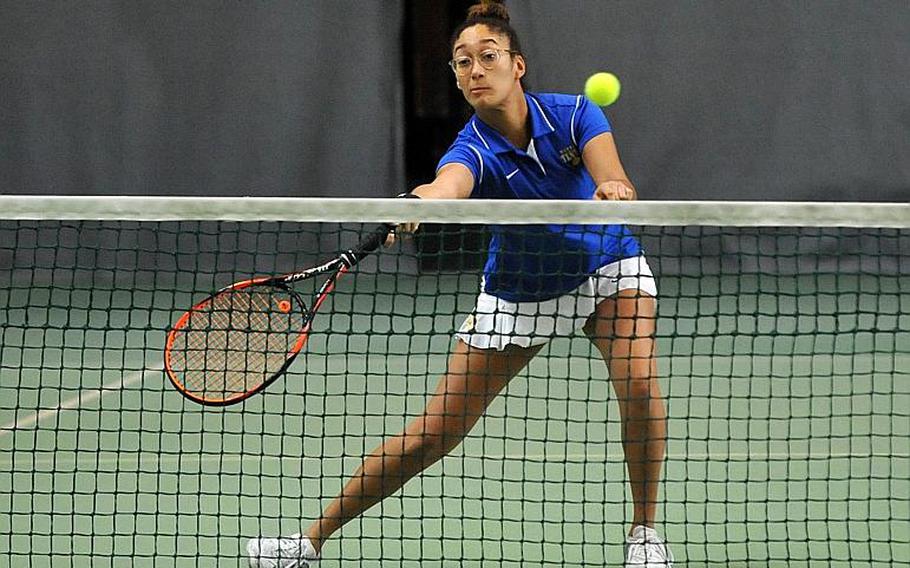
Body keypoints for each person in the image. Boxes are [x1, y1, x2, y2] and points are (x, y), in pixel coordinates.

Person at [248, 1, 672, 566]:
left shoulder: (575, 115)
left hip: (607, 271)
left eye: (487, 58)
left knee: (639, 383)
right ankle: (307, 542)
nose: (474, 71)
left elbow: (613, 177)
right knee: (434, 433)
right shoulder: (472, 147)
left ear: (516, 65)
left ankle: (644, 535)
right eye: (461, 63)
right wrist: (418, 202)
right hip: (522, 293)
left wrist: (615, 192)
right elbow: (447, 185)